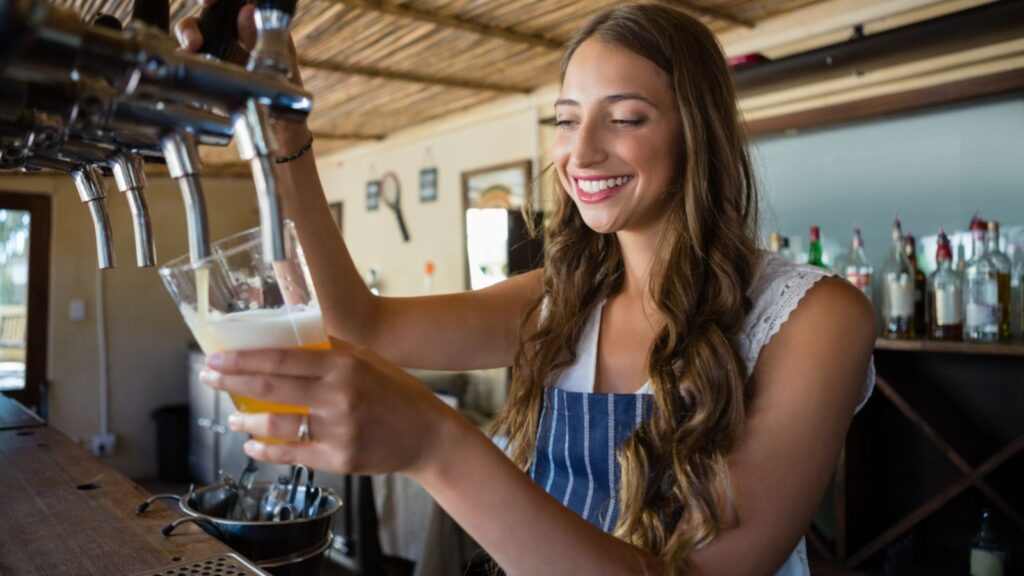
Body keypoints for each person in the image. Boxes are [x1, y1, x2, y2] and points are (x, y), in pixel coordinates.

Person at [177, 3, 876, 574]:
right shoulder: (562, 301)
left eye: (625, 117)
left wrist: (434, 443)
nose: (582, 151)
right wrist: (282, 125)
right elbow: (360, 322)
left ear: (699, 132)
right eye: (567, 119)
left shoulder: (812, 319)